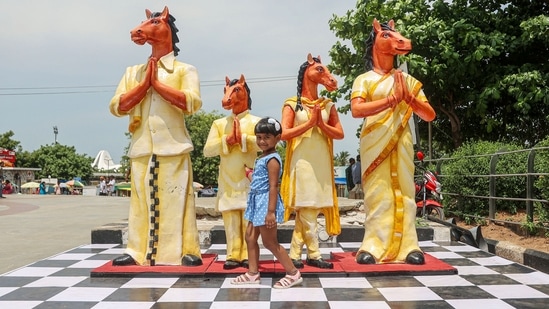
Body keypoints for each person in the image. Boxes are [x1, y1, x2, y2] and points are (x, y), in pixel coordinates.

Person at [108, 7, 202, 266]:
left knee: (178, 199)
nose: (142, 28)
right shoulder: (133, 73)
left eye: (152, 23)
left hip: (173, 146)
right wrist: (143, 86)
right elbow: (117, 106)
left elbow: (192, 103)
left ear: (165, 26)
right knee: (140, 202)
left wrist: (157, 86)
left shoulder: (185, 71)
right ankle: (136, 250)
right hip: (142, 146)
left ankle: (186, 249)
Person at [350, 19, 436, 264]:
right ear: (376, 39)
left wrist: (408, 98)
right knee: (378, 192)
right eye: (388, 36)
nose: (398, 39)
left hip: (401, 141)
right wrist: (391, 101)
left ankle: (409, 245)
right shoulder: (364, 80)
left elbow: (429, 114)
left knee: (406, 189)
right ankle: (373, 245)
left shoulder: (407, 81)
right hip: (374, 143)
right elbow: (357, 110)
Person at [280, 54, 344, 269]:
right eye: (319, 70)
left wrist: (321, 125)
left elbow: (339, 133)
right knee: (308, 207)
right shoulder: (292, 104)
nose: (326, 76)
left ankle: (295, 253)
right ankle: (314, 254)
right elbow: (284, 133)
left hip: (322, 162)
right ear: (307, 71)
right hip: (303, 162)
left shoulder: (327, 104)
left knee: (310, 209)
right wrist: (309, 125)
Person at [231, 117, 302, 289]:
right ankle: (253, 273)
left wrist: (270, 212)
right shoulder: (263, 157)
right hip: (256, 201)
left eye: (267, 137)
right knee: (250, 237)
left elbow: (272, 187)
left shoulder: (272, 160)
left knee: (270, 242)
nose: (262, 141)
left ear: (277, 139)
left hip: (265, 202)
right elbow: (260, 180)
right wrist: (250, 174)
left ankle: (293, 273)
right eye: (259, 137)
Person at [203, 75, 261, 269]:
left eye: (235, 90)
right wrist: (226, 141)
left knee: (248, 218)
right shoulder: (219, 124)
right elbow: (207, 150)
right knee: (230, 219)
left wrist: (243, 139)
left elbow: (266, 143)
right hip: (227, 179)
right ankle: (232, 253)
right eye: (226, 91)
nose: (229, 96)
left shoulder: (256, 121)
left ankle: (248, 253)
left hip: (248, 178)